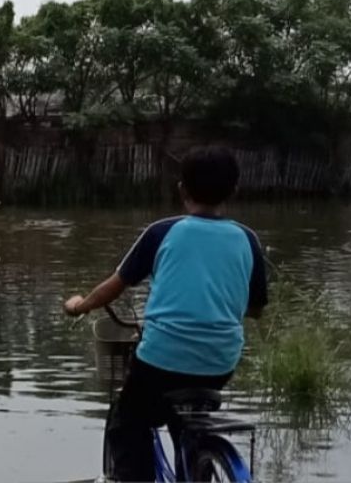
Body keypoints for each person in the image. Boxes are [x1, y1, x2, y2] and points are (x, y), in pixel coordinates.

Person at [63, 146, 269, 483]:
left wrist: (79, 305)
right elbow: (257, 309)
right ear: (234, 190)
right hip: (220, 362)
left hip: (162, 359)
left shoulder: (162, 232)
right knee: (188, 424)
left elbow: (115, 286)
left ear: (181, 190)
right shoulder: (248, 239)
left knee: (127, 421)